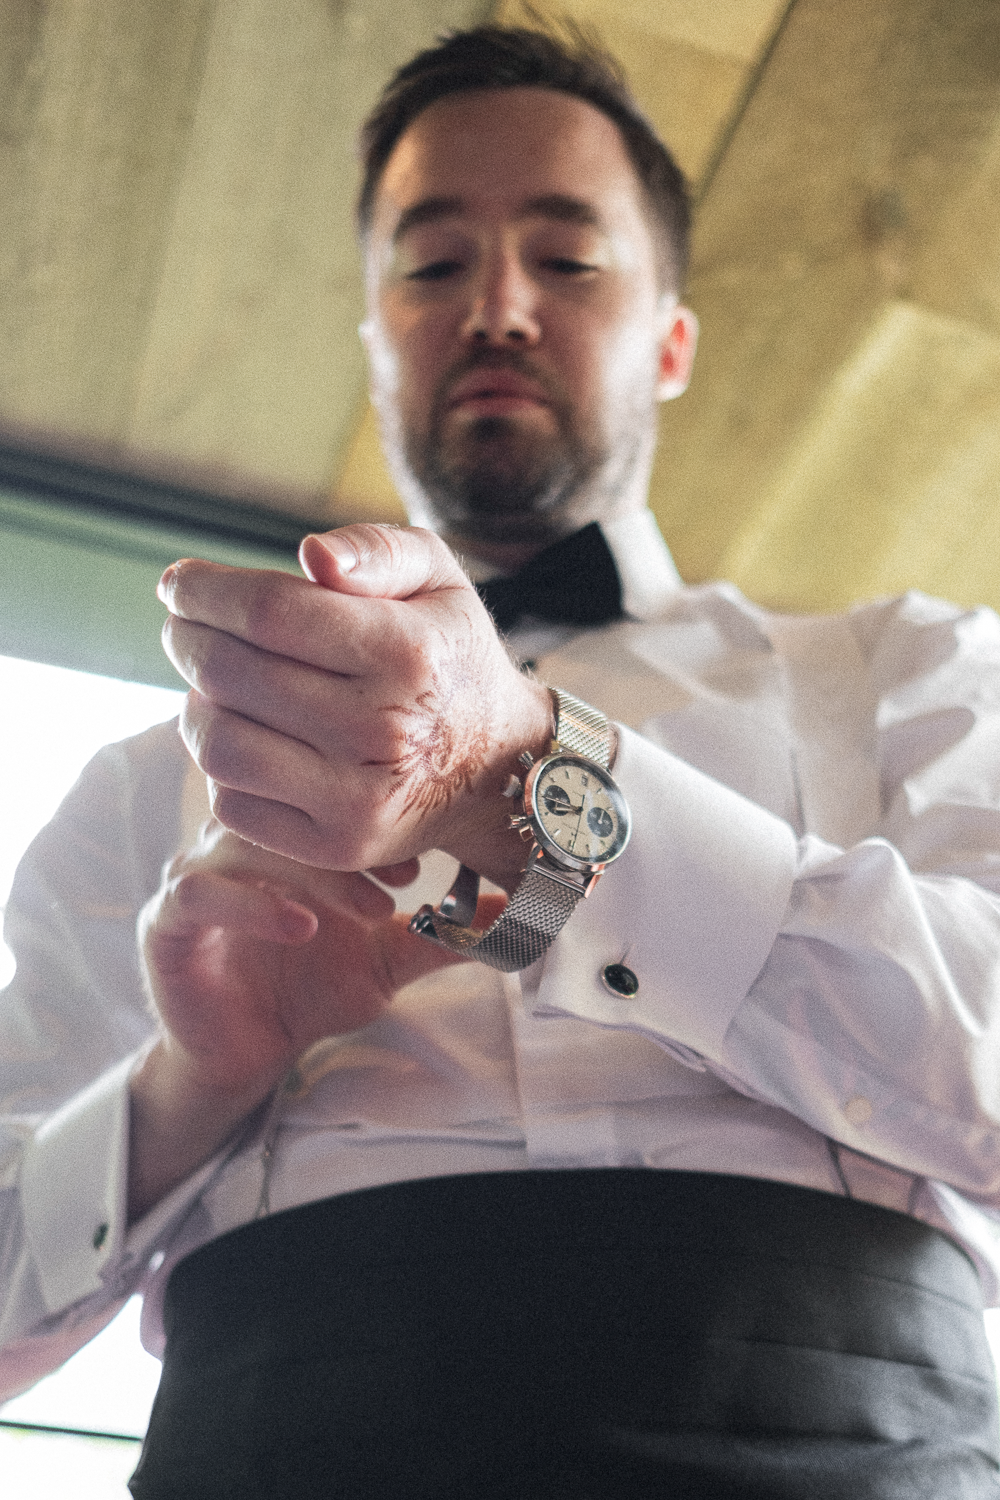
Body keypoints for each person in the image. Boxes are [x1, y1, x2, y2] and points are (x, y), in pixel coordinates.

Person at [3, 23, 1000, 1499]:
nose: (500, 309)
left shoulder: (914, 670)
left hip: (840, 1427)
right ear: (375, 336)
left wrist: (534, 799)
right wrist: (194, 1081)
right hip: (281, 1434)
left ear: (670, 339)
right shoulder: (149, 786)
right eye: (432, 263)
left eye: (568, 257)